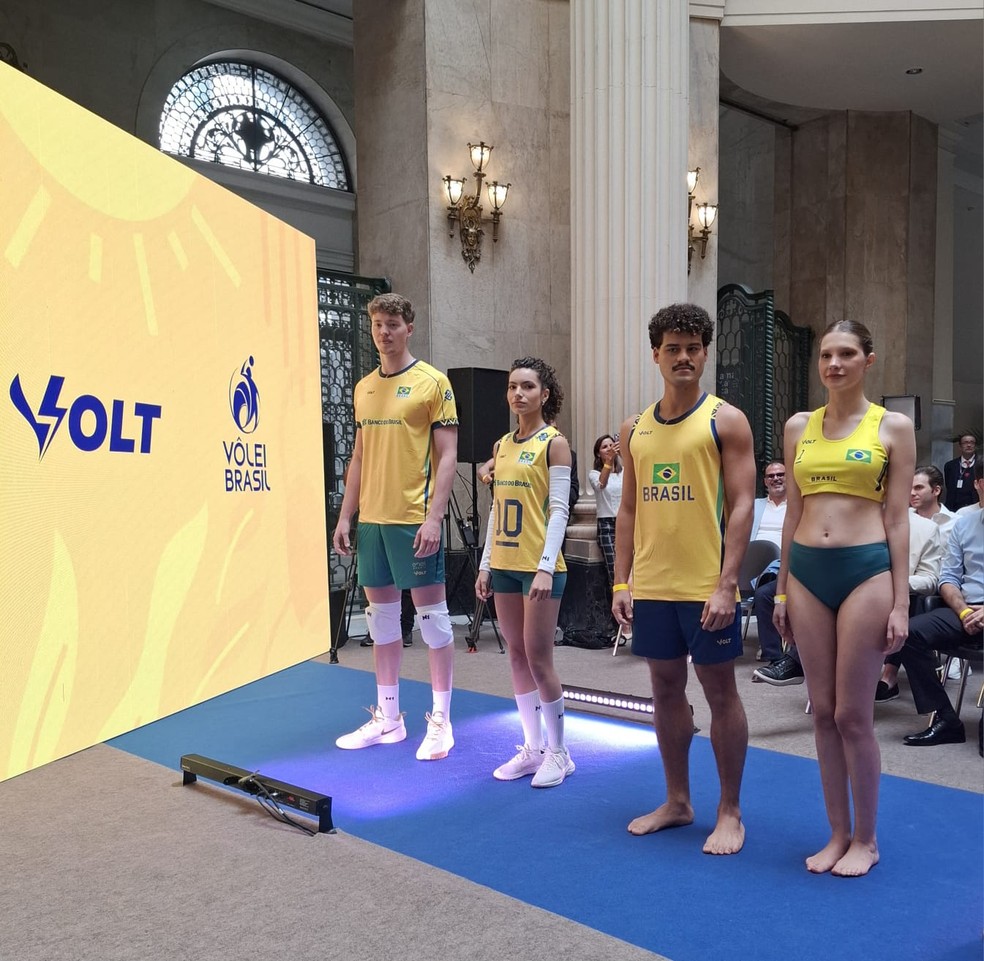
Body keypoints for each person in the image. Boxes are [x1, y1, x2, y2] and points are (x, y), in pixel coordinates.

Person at [773, 319, 915, 877]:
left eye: (847, 354)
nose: (834, 364)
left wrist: (901, 602)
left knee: (854, 714)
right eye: (827, 355)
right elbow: (792, 512)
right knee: (823, 713)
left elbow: (898, 519)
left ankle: (867, 838)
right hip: (807, 571)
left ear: (868, 360)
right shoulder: (799, 426)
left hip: (865, 571)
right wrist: (781, 588)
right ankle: (836, 832)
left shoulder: (892, 428)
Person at [612, 303, 756, 855]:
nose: (683, 357)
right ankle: (677, 800)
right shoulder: (635, 427)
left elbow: (743, 503)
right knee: (664, 689)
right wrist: (622, 581)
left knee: (721, 692)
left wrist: (726, 583)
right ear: (656, 355)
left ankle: (730, 810)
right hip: (651, 585)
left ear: (705, 352)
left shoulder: (726, 419)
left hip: (705, 587)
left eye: (693, 347)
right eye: (672, 348)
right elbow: (627, 509)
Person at [332, 293, 459, 760]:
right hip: (373, 523)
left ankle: (441, 721)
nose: (384, 332)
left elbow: (447, 455)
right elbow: (360, 456)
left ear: (409, 327)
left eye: (392, 324)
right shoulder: (364, 387)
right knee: (381, 622)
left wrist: (435, 517)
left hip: (413, 520)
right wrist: (347, 515)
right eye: (377, 324)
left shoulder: (433, 383)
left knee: (434, 624)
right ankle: (389, 718)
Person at [475, 358, 574, 787]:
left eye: (528, 387)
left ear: (544, 394)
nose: (519, 394)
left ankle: (559, 752)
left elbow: (559, 510)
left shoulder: (555, 443)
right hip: (504, 565)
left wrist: (546, 567)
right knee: (515, 654)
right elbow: (496, 509)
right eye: (513, 386)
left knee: (538, 657)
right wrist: (484, 563)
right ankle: (532, 748)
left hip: (539, 568)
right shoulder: (501, 446)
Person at [757, 507, 940, 692]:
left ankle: (796, 661)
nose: (915, 493)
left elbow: (931, 578)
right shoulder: (843, 512)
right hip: (825, 573)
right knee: (767, 593)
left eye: (919, 488)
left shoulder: (925, 528)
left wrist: (891, 583)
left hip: (882, 587)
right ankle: (786, 658)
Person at [898, 467, 983, 746]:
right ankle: (946, 718)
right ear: (979, 485)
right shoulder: (965, 524)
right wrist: (963, 610)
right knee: (910, 633)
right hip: (965, 608)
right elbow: (947, 579)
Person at [748, 460, 787, 668]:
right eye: (771, 476)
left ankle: (772, 653)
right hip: (753, 566)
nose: (776, 479)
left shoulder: (799, 505)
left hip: (788, 566)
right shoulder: (755, 505)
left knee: (765, 592)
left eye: (780, 474)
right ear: (765, 481)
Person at [588, 433, 624, 588]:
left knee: (629, 570)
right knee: (613, 570)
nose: (609, 448)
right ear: (598, 453)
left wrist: (624, 453)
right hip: (606, 524)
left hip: (624, 523)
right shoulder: (594, 474)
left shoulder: (624, 472)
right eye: (604, 447)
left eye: (611, 445)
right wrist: (608, 462)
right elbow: (601, 484)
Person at [910, 464, 956, 543]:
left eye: (918, 487)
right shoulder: (904, 518)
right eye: (909, 488)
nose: (912, 493)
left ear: (936, 490)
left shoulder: (955, 524)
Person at [942, 432, 979, 513]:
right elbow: (949, 485)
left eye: (972, 442)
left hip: (976, 507)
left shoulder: (981, 464)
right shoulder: (950, 466)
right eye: (965, 442)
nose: (969, 445)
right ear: (960, 447)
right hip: (954, 507)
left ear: (975, 446)